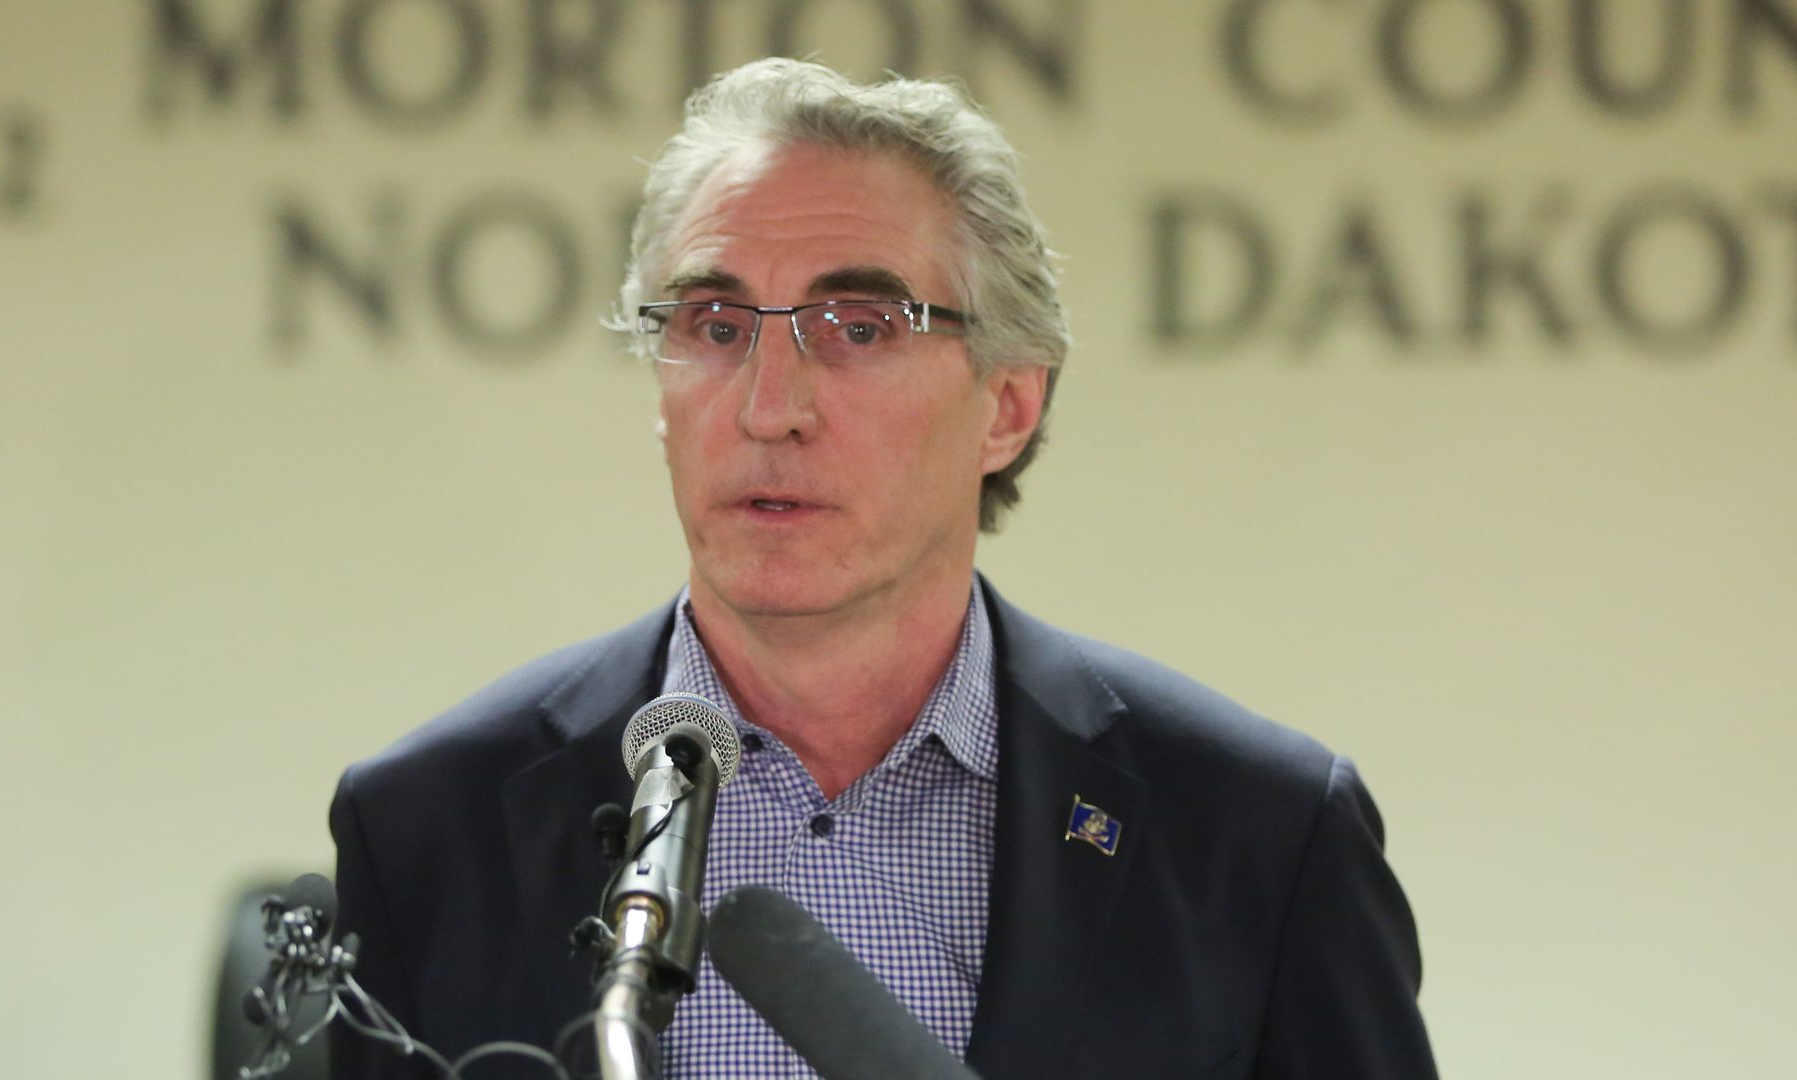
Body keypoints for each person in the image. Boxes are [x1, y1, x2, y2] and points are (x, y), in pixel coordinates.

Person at [329, 58, 1438, 1079]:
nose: (770, 408)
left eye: (858, 327)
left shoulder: (1255, 837)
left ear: (1007, 403)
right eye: (714, 325)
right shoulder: (435, 827)